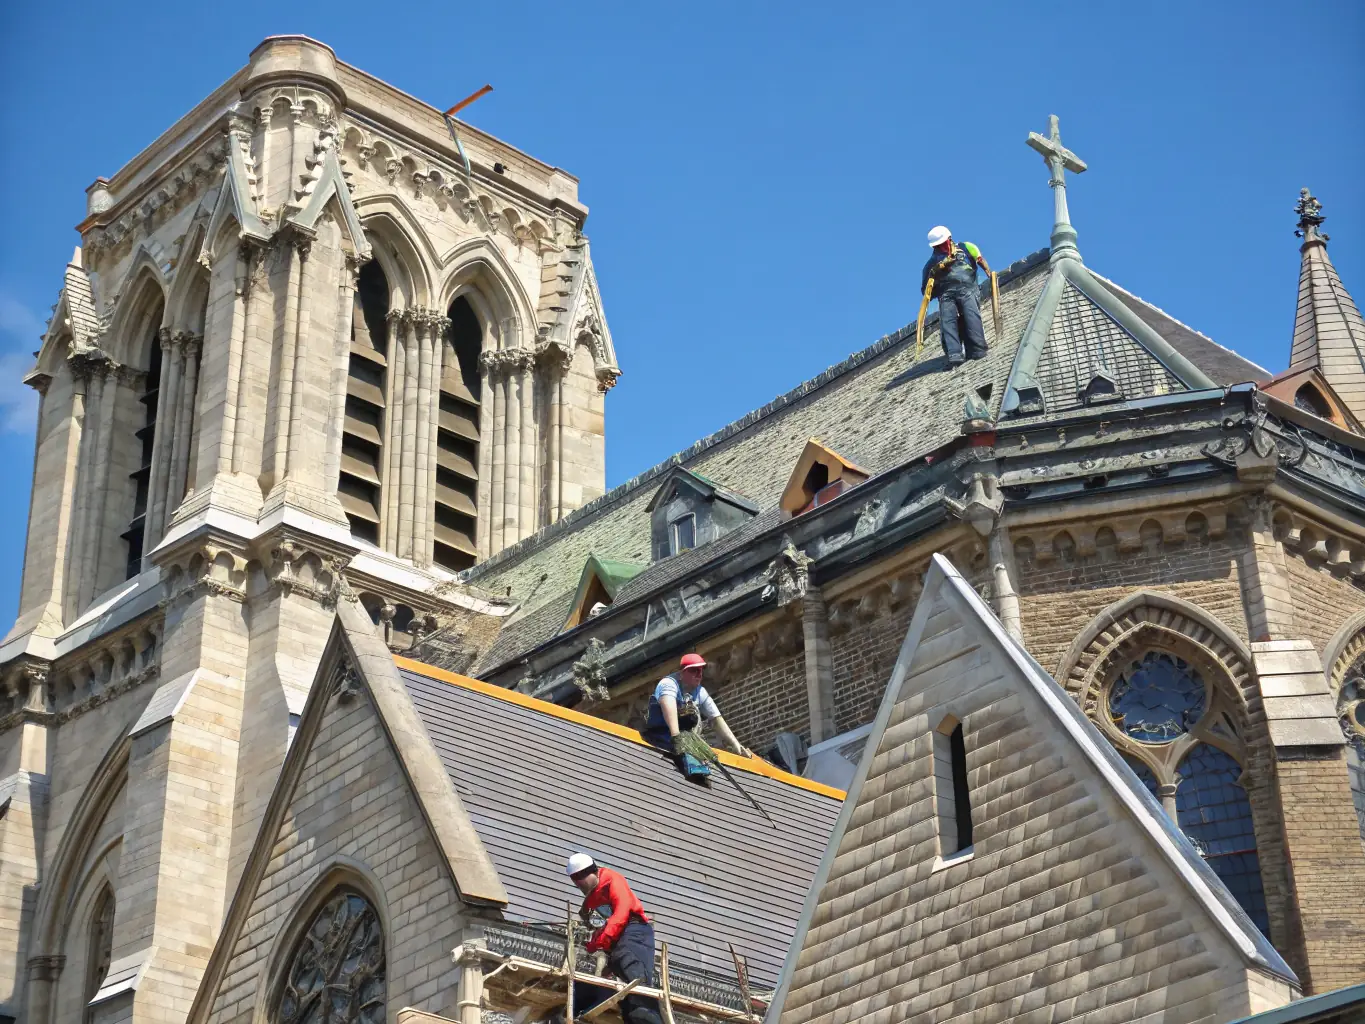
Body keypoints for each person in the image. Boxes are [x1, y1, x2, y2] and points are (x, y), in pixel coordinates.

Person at [554, 853, 663, 1024]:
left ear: (590, 872)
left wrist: (601, 940)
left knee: (635, 979)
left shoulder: (612, 880)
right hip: (618, 943)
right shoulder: (590, 901)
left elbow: (622, 913)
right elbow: (600, 926)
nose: (577, 884)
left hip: (634, 933)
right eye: (574, 880)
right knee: (625, 996)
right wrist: (593, 944)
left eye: (579, 878)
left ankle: (649, 1019)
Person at [643, 654, 750, 780]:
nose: (699, 674)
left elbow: (716, 719)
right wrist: (678, 739)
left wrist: (736, 746)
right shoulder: (668, 684)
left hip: (683, 735)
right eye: (694, 670)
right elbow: (669, 710)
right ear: (683, 672)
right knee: (690, 756)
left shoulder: (700, 691)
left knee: (701, 757)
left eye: (700, 671)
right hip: (660, 734)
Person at [921, 225, 992, 365]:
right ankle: (954, 354)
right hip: (946, 294)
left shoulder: (966, 247)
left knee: (971, 316)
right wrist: (936, 277)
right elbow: (925, 289)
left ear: (949, 239)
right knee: (948, 320)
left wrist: (990, 275)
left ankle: (977, 349)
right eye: (937, 246)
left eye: (942, 244)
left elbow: (980, 260)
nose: (940, 247)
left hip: (968, 289)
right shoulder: (931, 264)